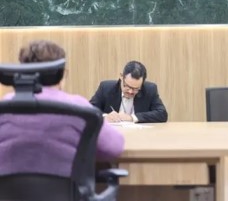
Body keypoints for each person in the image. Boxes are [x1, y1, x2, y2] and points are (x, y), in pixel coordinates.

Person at [0, 40, 124, 177]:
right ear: (62, 74)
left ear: (23, 72)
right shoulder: (78, 107)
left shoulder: (4, 106)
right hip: (67, 189)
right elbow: (114, 147)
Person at [90, 60, 168, 123]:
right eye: (127, 86)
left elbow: (162, 114)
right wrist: (105, 116)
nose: (130, 91)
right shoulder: (106, 88)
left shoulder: (150, 89)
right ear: (121, 77)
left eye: (136, 89)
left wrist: (132, 117)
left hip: (140, 134)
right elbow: (89, 110)